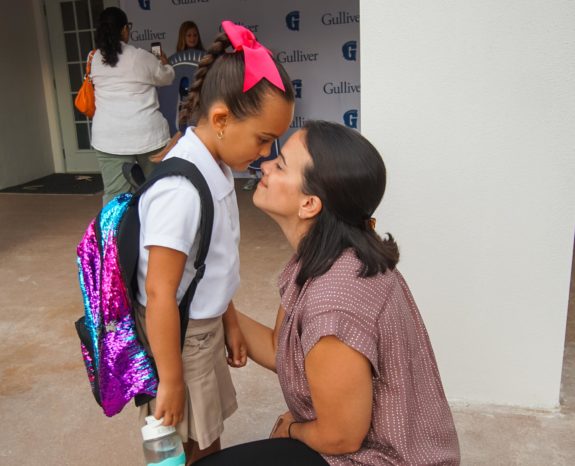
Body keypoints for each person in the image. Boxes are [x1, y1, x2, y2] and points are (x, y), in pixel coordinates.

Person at [195, 121, 461, 465]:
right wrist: (207, 303)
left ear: (310, 204)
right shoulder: (327, 256)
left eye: (281, 165)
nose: (264, 165)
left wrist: (291, 429)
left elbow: (341, 436)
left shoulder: (333, 303)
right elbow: (281, 348)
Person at [134, 21, 295, 465]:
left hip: (200, 330)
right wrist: (169, 379)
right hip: (179, 340)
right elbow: (161, 292)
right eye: (262, 139)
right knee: (185, 438)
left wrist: (230, 322)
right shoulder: (180, 191)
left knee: (204, 432)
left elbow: (205, 264)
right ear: (222, 119)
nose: (264, 154)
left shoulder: (216, 167)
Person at [91, 7, 175, 205]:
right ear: (124, 30)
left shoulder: (94, 58)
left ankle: (115, 236)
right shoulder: (140, 56)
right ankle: (160, 233)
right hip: (147, 134)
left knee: (114, 198)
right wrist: (165, 63)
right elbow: (167, 77)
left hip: (109, 137)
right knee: (160, 190)